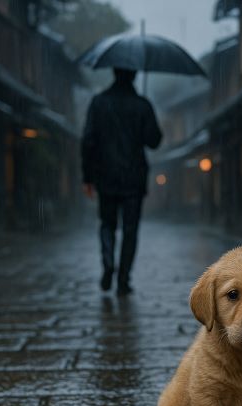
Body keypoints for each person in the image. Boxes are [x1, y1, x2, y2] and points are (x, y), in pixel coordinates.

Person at [81, 68, 162, 295]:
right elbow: (154, 140)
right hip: (134, 178)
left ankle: (108, 264)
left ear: (114, 73)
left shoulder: (98, 103)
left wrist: (87, 177)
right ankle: (123, 280)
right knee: (130, 229)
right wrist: (145, 117)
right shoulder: (142, 105)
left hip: (105, 175)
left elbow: (88, 141)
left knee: (107, 224)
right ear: (135, 76)